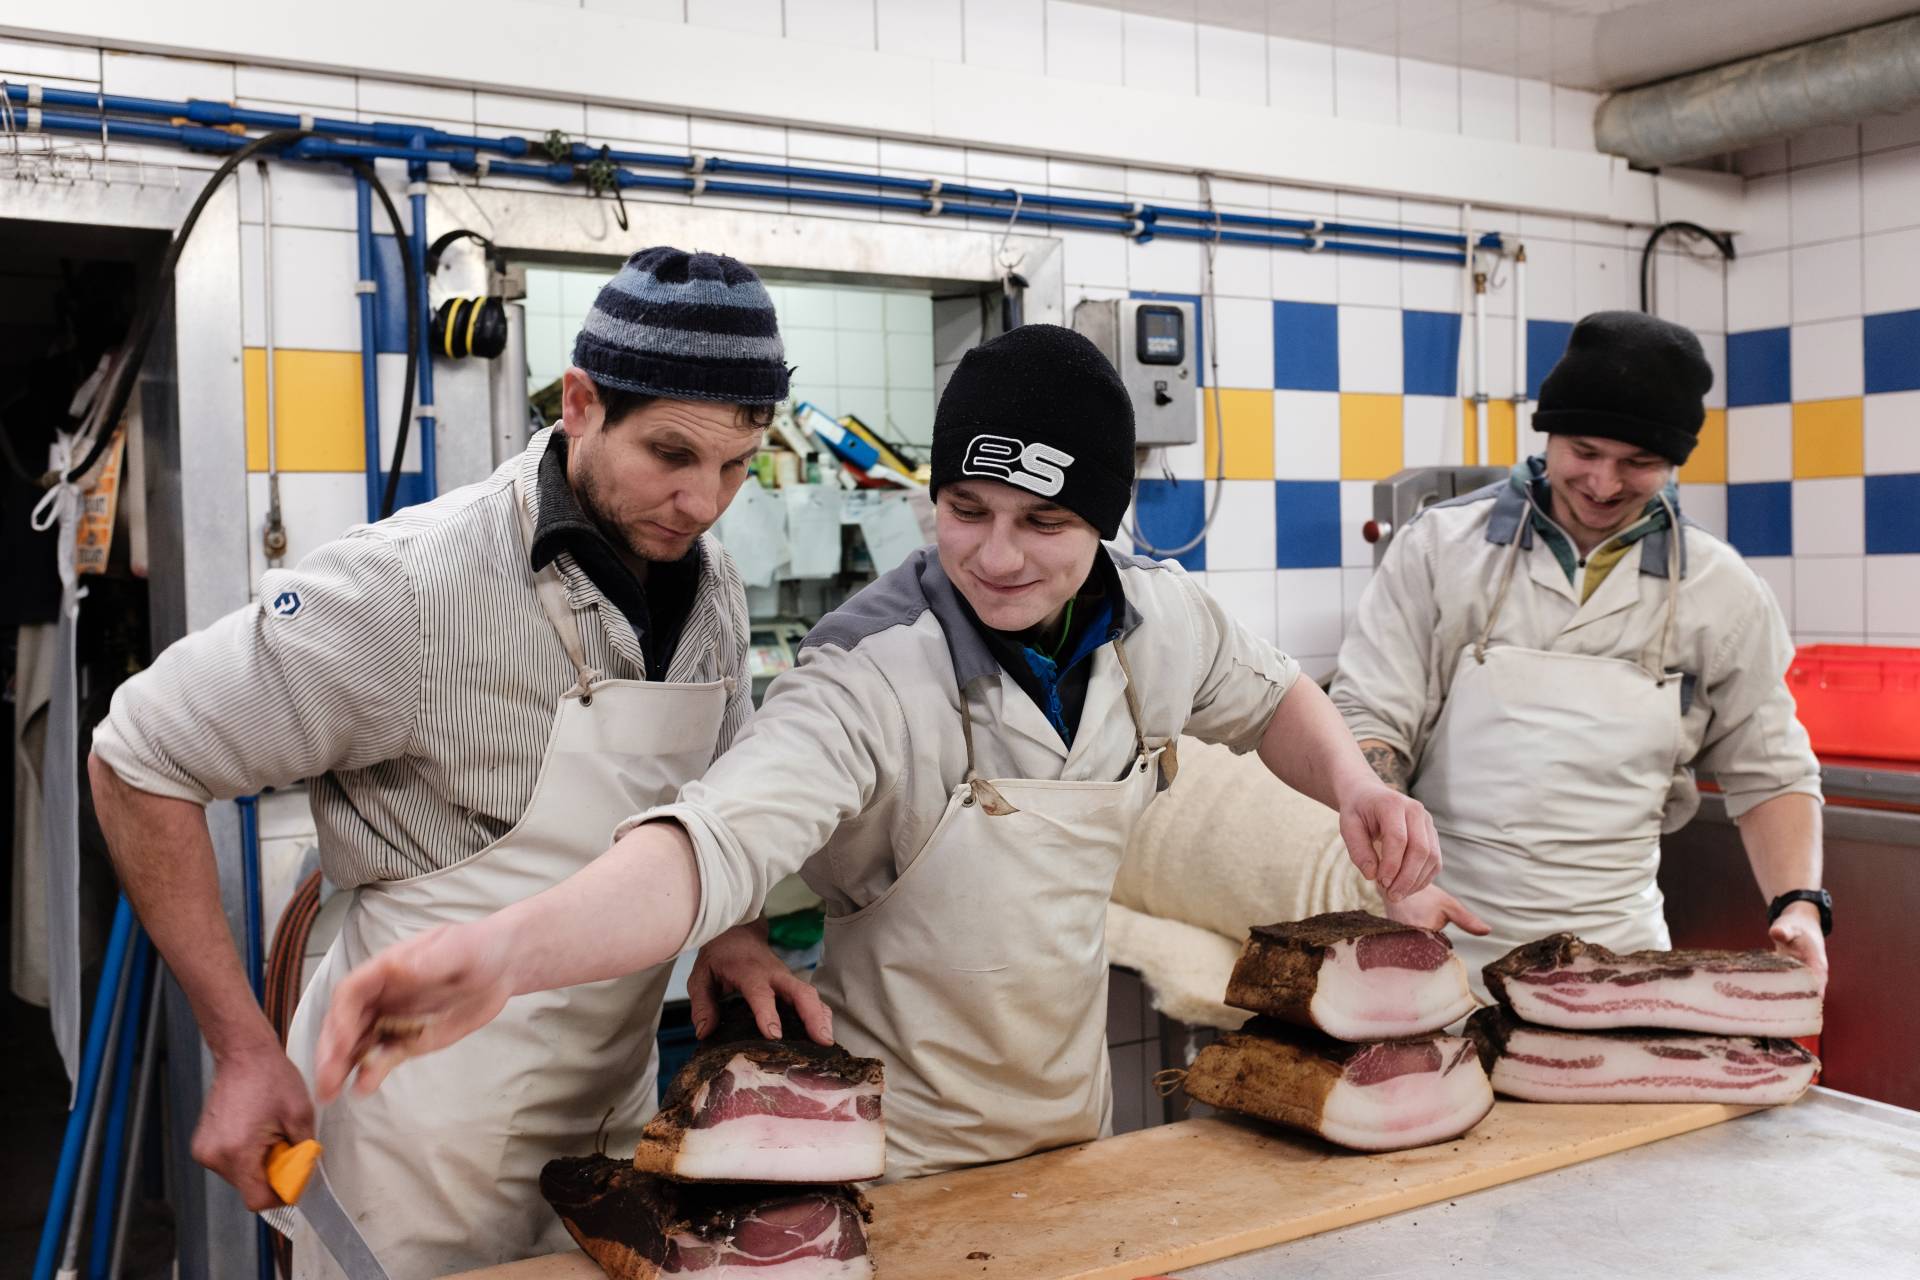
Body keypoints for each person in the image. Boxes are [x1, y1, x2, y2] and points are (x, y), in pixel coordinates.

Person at [313, 324, 1482, 1183]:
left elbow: (1271, 692)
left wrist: (1357, 788)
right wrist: (507, 951)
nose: (997, 555)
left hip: (1075, 1137)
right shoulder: (871, 669)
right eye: (965, 508)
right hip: (897, 1165)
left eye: (1045, 523)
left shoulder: (1157, 621)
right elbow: (711, 842)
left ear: (1108, 524)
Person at [88, 246, 788, 1277]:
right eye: (671, 454)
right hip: (418, 1136)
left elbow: (705, 791)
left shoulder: (710, 586)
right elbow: (137, 755)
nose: (703, 502)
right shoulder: (409, 591)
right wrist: (240, 1047)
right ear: (584, 403)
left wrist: (734, 924)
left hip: (611, 1114)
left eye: (737, 464)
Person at [1331, 310, 1830, 993]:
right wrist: (1395, 880)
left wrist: (1797, 904)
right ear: (1548, 436)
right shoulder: (1441, 549)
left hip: (1617, 963)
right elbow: (1370, 726)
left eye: (1638, 463)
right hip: (1433, 936)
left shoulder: (1721, 589)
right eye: (1584, 452)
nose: (1603, 484)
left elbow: (1770, 770)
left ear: (1675, 464)